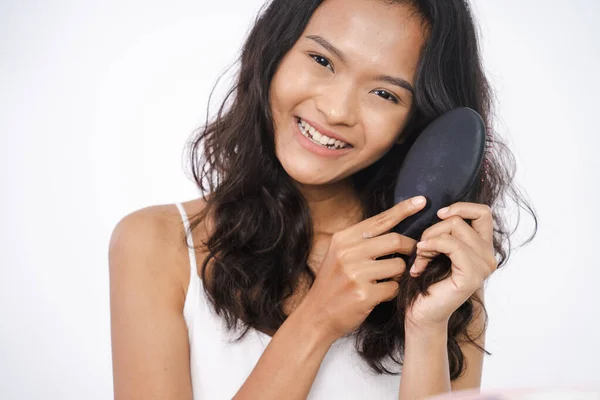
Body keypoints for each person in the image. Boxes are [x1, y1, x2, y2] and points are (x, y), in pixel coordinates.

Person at [108, 0, 537, 399]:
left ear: (418, 125)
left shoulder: (445, 275)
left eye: (385, 93)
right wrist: (318, 320)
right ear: (274, 52)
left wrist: (426, 328)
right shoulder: (155, 244)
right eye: (322, 60)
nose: (336, 111)